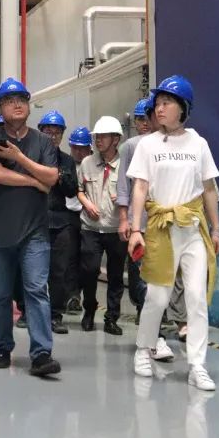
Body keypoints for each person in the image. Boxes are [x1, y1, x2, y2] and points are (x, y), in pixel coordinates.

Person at [128, 75, 219, 391]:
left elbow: (209, 188)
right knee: (158, 296)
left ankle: (197, 365)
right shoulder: (148, 144)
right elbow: (140, 187)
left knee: (196, 298)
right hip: (160, 229)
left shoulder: (198, 143)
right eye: (158, 103)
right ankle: (144, 349)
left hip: (192, 229)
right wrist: (136, 229)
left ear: (183, 107)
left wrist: (216, 229)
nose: (159, 108)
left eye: (166, 102)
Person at [0, 78, 61, 376]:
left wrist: (19, 158)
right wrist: (33, 181)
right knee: (0, 294)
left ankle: (41, 354)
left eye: (22, 100)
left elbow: (52, 177)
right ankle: (2, 346)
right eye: (9, 100)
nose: (17, 104)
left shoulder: (42, 142)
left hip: (35, 231)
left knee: (36, 290)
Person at [117, 96, 176, 363]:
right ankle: (152, 335)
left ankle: (155, 335)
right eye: (141, 118)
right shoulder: (132, 146)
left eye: (147, 116)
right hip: (140, 224)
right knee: (141, 281)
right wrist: (125, 220)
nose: (145, 122)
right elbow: (125, 186)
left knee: (162, 281)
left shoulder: (175, 144)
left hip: (167, 223)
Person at [77, 116, 129, 335]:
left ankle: (111, 318)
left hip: (116, 229)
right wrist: (87, 204)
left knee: (116, 276)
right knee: (89, 271)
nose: (98, 140)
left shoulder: (126, 166)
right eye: (96, 136)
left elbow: (136, 193)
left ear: (116, 139)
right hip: (91, 228)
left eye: (103, 136)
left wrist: (123, 199)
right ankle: (89, 310)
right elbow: (80, 190)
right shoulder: (87, 163)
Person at [37, 111, 78, 335]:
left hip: (61, 222)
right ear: (40, 132)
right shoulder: (32, 158)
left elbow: (71, 191)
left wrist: (61, 175)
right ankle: (29, 312)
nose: (52, 137)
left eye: (56, 133)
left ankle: (55, 315)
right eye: (48, 132)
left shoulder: (67, 161)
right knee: (33, 271)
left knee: (58, 271)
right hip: (35, 221)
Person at [63, 126, 92, 314]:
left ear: (90, 148)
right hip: (69, 215)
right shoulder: (65, 164)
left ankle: (84, 294)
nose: (79, 152)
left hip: (89, 216)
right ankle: (72, 296)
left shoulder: (94, 165)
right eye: (75, 148)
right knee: (69, 257)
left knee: (87, 259)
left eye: (83, 148)